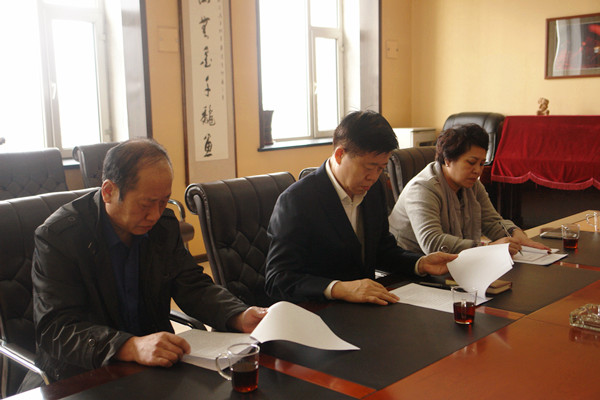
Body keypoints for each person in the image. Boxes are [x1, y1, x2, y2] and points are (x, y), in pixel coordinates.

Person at [25, 139, 266, 388]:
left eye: (163, 202)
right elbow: (55, 329)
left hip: (151, 367)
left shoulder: (163, 227)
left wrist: (238, 315)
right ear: (108, 191)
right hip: (82, 374)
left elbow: (193, 286)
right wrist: (129, 346)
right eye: (145, 204)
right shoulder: (60, 237)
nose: (155, 215)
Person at [264, 111, 457, 305]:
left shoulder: (373, 189)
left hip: (366, 307)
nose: (373, 177)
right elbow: (277, 279)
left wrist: (420, 263)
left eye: (381, 168)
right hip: (319, 309)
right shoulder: (297, 201)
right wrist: (338, 288)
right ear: (340, 155)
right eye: (368, 167)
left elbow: (382, 250)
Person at [389, 123, 549, 255]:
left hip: (451, 264)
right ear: (448, 160)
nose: (478, 170)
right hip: (410, 268)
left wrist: (516, 234)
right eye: (471, 162)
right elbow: (433, 242)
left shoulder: (472, 185)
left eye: (481, 164)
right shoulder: (423, 188)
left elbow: (492, 221)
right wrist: (488, 248)